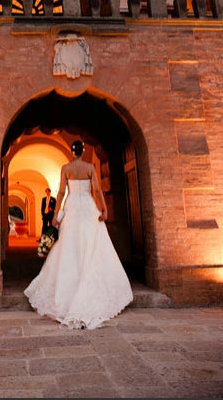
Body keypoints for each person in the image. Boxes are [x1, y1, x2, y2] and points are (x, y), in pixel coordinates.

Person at [24, 140, 133, 329]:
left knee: (70, 245)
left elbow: (60, 193)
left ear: (71, 152)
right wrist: (104, 210)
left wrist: (56, 216)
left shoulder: (66, 168)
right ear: (82, 151)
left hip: (72, 207)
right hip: (89, 209)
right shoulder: (90, 167)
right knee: (92, 243)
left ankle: (69, 288)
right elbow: (97, 190)